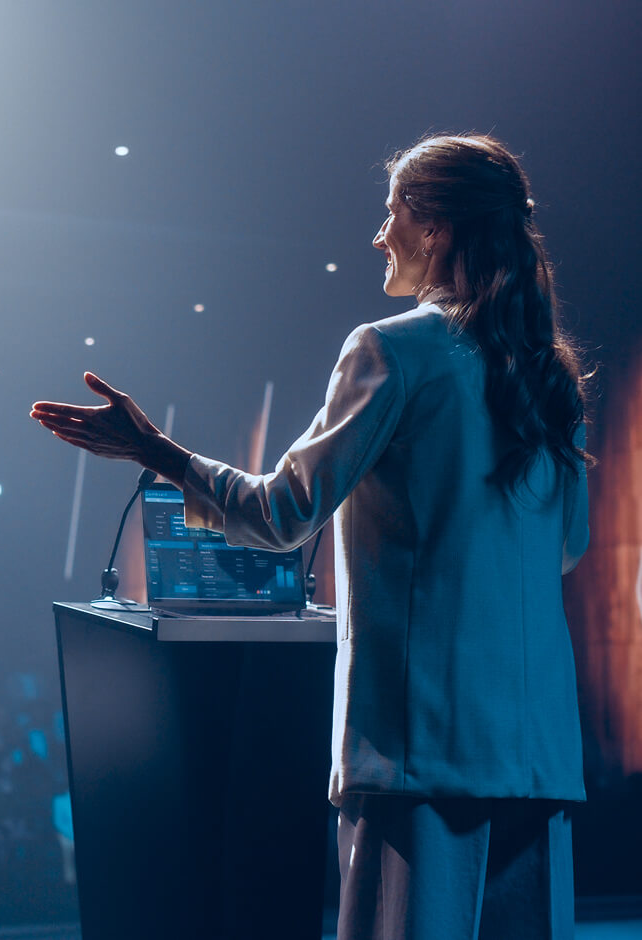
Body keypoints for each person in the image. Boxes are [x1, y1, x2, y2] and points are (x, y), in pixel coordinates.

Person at [31, 134, 590, 940]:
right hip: (537, 760)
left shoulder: (393, 351)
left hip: (417, 755)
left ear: (434, 227)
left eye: (392, 209)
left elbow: (283, 513)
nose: (378, 232)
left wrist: (153, 449)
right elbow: (564, 548)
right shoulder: (549, 373)